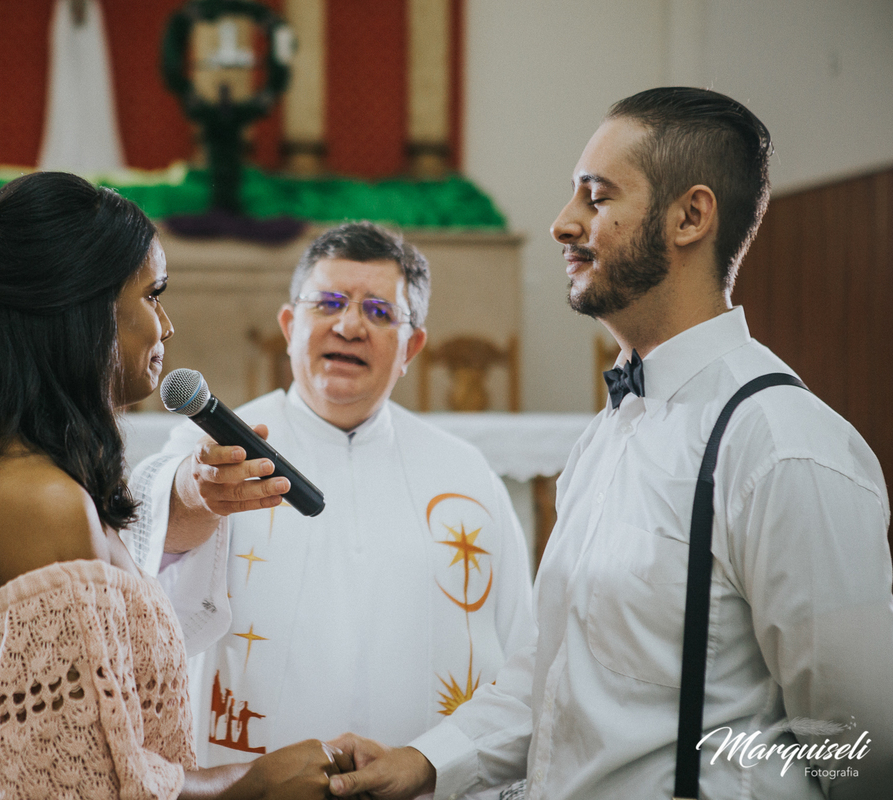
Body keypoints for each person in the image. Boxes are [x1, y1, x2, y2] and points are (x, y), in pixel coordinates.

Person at [328, 88, 893, 800]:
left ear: (690, 217)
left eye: (596, 198)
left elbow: (863, 754)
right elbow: (554, 675)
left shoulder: (784, 448)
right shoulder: (607, 432)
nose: (563, 223)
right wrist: (425, 762)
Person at [0, 172, 351, 799]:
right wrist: (254, 782)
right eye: (152, 295)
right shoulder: (39, 503)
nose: (165, 326)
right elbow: (85, 786)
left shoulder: (24, 478)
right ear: (82, 309)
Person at [125, 222, 536, 766]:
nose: (349, 326)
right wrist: (191, 498)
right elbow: (147, 550)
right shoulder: (214, 451)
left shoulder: (466, 475)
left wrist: (434, 765)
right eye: (328, 304)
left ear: (412, 347)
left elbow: (525, 655)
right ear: (289, 325)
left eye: (380, 312)